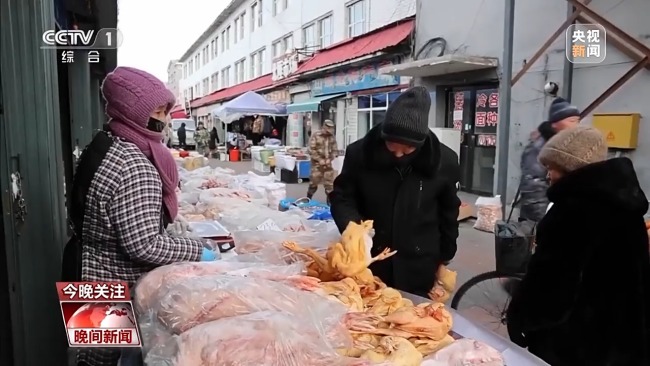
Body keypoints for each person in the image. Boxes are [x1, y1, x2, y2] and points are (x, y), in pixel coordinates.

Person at [71, 67, 219, 366]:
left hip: (90, 266)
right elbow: (144, 245)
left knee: (91, 357)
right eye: (158, 111)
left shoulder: (106, 143)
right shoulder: (134, 164)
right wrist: (200, 250)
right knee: (106, 360)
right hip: (113, 285)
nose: (164, 119)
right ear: (131, 112)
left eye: (167, 109)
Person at [506, 125, 650, 366]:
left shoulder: (571, 212)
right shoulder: (628, 208)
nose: (548, 174)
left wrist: (521, 320)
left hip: (577, 343)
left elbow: (552, 287)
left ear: (569, 168)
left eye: (551, 167)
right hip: (624, 338)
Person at [329, 86, 461, 298]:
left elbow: (448, 212)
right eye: (392, 146)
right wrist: (353, 228)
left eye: (408, 149)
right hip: (369, 262)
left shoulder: (444, 162)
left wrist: (444, 257)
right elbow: (342, 196)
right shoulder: (360, 154)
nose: (399, 154)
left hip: (419, 265)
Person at [518, 97, 580, 222]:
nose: (576, 125)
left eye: (578, 120)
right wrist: (545, 221)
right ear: (555, 123)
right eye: (572, 120)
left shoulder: (568, 143)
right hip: (541, 217)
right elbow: (533, 188)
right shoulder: (539, 147)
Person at [307, 120, 338, 202]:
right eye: (328, 128)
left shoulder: (331, 137)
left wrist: (331, 158)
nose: (329, 131)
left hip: (327, 164)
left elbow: (335, 150)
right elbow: (311, 149)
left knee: (329, 185)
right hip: (316, 164)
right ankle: (308, 199)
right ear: (324, 127)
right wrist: (319, 159)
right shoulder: (316, 136)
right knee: (313, 183)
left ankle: (330, 203)